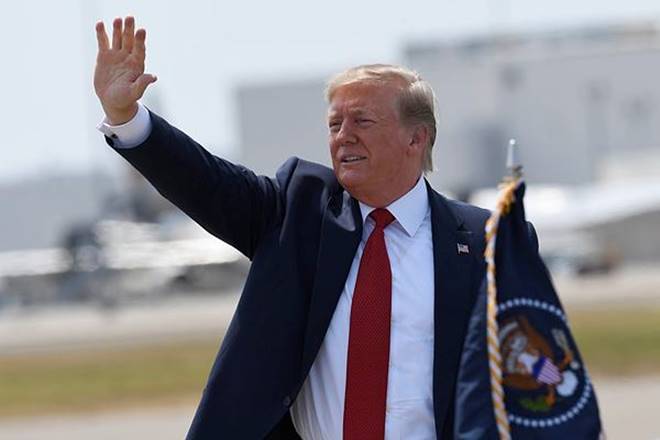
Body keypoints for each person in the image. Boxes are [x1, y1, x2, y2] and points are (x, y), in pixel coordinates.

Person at [94, 16, 493, 440]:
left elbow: (531, 370)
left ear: (417, 139)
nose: (343, 137)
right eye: (335, 124)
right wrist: (127, 117)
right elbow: (205, 181)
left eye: (362, 122)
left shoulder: (484, 240)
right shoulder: (297, 211)